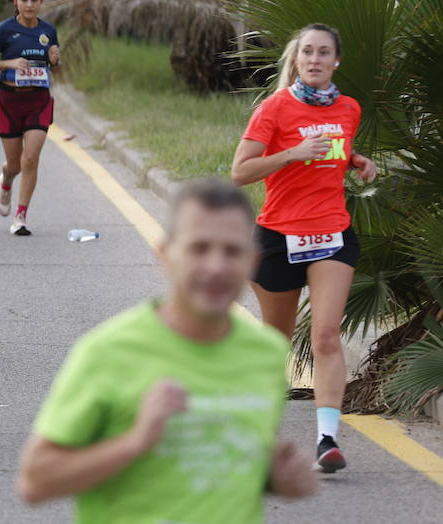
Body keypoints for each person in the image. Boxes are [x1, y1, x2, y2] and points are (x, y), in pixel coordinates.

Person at [18, 178, 317, 520]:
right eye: (199, 249)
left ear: (252, 261)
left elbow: (222, 464)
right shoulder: (109, 352)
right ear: (164, 254)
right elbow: (35, 480)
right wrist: (136, 441)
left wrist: (275, 479)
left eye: (232, 251)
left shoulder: (267, 353)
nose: (217, 267)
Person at [231, 23, 377, 473]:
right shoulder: (274, 109)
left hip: (331, 233)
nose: (315, 59)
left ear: (337, 61)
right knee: (275, 344)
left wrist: (355, 160)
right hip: (277, 237)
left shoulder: (349, 109)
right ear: (297, 60)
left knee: (327, 335)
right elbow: (240, 171)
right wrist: (291, 154)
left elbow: (336, 147)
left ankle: (327, 440)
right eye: (307, 52)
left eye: (324, 53)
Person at [0, 0, 60, 236]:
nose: (29, 4)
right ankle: (7, 179)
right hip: (9, 101)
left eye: (34, 0)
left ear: (41, 3)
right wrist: (10, 64)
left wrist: (55, 60)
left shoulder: (48, 31)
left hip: (38, 101)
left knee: (31, 158)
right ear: (16, 2)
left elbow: (53, 62)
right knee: (15, 164)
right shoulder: (5, 30)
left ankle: (20, 217)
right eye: (24, 0)